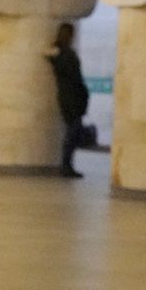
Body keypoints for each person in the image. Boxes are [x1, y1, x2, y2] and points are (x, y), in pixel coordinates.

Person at [47, 22, 91, 179]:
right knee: (72, 133)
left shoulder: (59, 52)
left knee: (72, 132)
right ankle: (66, 165)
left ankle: (67, 165)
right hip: (71, 97)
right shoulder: (63, 52)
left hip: (71, 96)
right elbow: (74, 76)